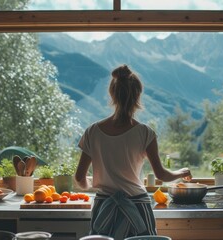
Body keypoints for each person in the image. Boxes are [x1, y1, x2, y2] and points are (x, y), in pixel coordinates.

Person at [75, 64, 192, 239]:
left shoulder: (92, 132)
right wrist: (181, 172)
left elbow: (79, 178)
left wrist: (92, 184)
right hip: (137, 205)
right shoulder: (145, 133)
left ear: (112, 94)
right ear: (138, 96)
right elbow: (161, 174)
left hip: (104, 206)